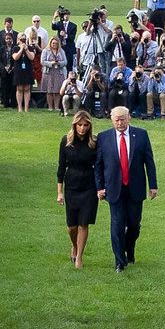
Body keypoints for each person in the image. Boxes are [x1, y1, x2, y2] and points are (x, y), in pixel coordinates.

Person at [93, 105, 157, 272]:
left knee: (134, 224)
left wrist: (153, 185)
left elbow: (149, 162)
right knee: (117, 224)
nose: (119, 123)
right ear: (111, 120)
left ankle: (130, 247)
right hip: (114, 188)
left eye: (122, 119)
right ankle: (119, 261)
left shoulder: (141, 135)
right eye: (116, 120)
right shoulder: (104, 137)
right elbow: (98, 166)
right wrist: (99, 187)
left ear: (129, 118)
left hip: (135, 187)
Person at [56, 111, 100, 269]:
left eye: (85, 125)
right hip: (72, 184)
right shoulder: (66, 141)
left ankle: (79, 256)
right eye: (79, 125)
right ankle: (74, 246)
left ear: (90, 126)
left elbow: (99, 166)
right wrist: (59, 192)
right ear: (74, 125)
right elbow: (61, 167)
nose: (82, 128)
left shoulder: (94, 142)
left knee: (83, 223)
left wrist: (101, 187)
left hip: (89, 185)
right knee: (71, 226)